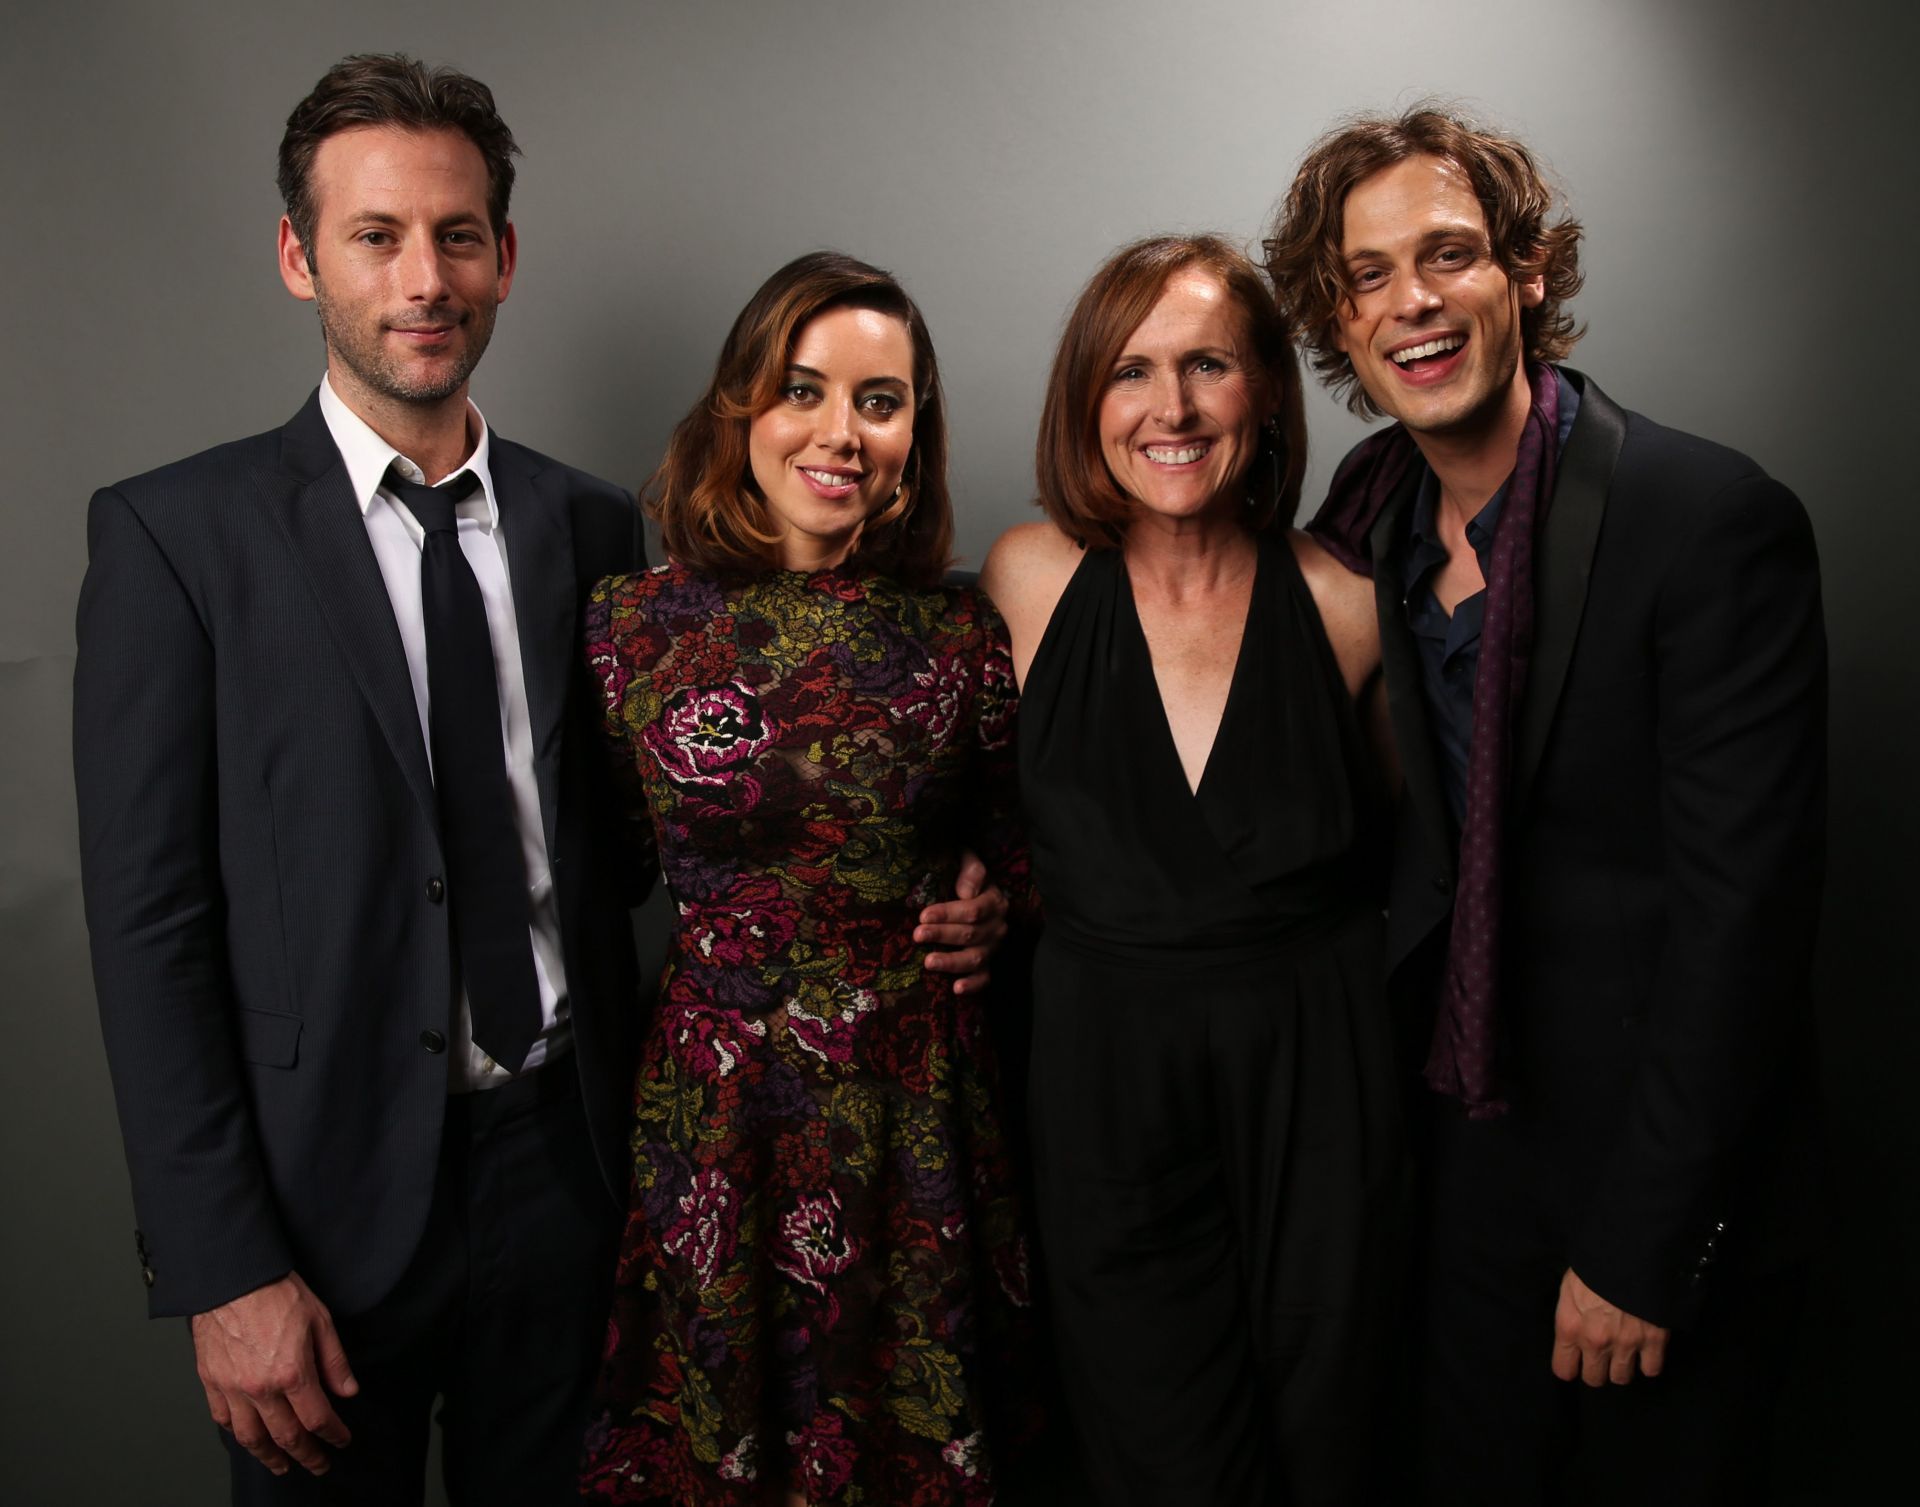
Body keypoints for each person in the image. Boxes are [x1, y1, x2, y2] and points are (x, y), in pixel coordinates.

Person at [71, 59, 1001, 1506]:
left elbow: (683, 821)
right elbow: (149, 930)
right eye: (376, 235)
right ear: (298, 255)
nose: (422, 277)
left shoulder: (592, 533)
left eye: (456, 236)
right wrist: (222, 1260)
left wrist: (959, 884)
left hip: (575, 1174)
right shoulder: (176, 540)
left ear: (504, 259)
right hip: (320, 1215)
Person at [1264, 106, 1826, 1504]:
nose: (1415, 302)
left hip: (1652, 1175)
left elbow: (1741, 923)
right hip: (1457, 1155)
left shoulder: (1706, 519)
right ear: (1339, 318)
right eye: (1373, 274)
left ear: (1524, 271)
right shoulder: (1372, 512)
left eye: (1449, 254)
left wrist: (1646, 1239)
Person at [578, 252, 1038, 1506]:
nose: (842, 432)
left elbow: (1026, 859)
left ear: (913, 434)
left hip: (913, 1113)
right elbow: (603, 871)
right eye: (804, 389)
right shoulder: (629, 628)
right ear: (744, 405)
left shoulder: (962, 634)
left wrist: (995, 909)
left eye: (881, 401)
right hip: (716, 1118)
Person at [980, 235, 1403, 1506]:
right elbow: (921, 765)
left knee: (1334, 1436)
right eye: (1132, 371)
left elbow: (1442, 862)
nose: (1169, 409)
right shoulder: (1029, 578)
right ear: (1085, 402)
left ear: (1266, 390)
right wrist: (971, 880)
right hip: (1102, 1080)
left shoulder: (1348, 603)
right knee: (1152, 1452)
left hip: (1323, 1086)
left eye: (1208, 364)